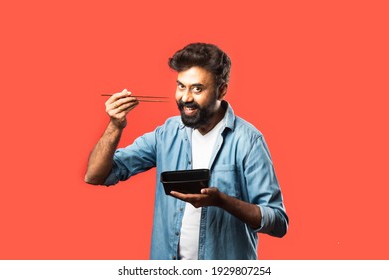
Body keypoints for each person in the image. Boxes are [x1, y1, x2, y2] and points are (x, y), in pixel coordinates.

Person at [85, 43, 288, 260]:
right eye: (181, 86)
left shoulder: (248, 141)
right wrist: (115, 125)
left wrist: (222, 201)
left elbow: (277, 222)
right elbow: (96, 175)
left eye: (197, 88)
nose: (186, 98)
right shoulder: (167, 133)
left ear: (222, 90)